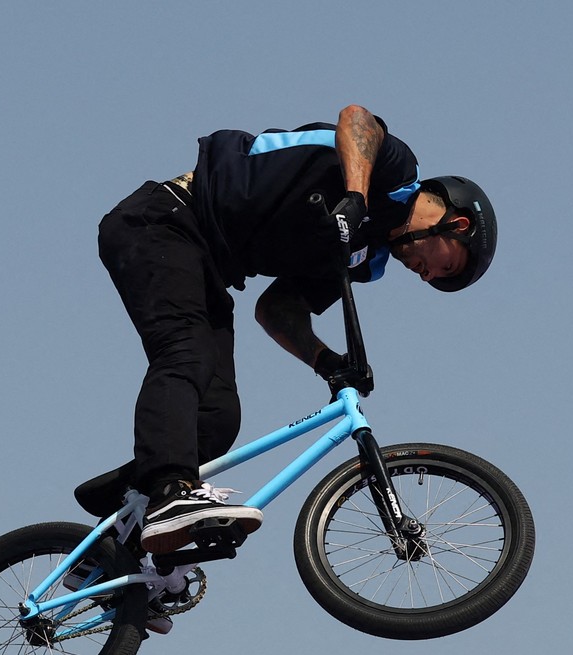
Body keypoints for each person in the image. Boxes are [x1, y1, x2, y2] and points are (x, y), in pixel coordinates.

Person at [75, 105, 497, 556]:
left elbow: (277, 309)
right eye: (444, 266)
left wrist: (326, 360)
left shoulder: (366, 258)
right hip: (164, 220)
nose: (427, 275)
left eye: (435, 278)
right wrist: (355, 198)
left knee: (217, 420)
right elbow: (356, 119)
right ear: (457, 223)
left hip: (207, 268)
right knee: (186, 352)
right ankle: (168, 491)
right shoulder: (395, 175)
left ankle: (108, 545)